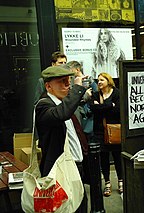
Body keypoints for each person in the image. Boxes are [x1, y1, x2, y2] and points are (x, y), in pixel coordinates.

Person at [35, 66, 88, 212]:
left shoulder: (63, 103)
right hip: (59, 171)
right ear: (48, 86)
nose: (67, 84)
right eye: (62, 81)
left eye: (69, 81)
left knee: (80, 205)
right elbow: (61, 114)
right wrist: (77, 88)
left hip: (75, 167)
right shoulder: (44, 105)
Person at [88, 72, 123, 197]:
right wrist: (109, 105)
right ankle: (107, 183)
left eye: (102, 80)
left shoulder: (117, 93)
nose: (99, 82)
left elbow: (118, 110)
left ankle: (121, 181)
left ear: (109, 81)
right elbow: (93, 109)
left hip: (115, 130)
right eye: (98, 80)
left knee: (117, 157)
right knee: (103, 158)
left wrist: (102, 107)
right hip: (100, 131)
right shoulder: (96, 94)